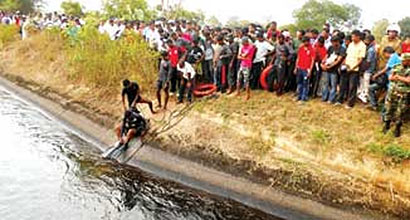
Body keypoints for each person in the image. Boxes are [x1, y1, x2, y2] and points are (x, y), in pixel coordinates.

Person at [383, 53, 410, 137]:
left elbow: (409, 81)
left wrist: (398, 77)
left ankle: (397, 128)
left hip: (403, 93)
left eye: (405, 60)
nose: (402, 62)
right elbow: (390, 77)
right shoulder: (396, 66)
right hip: (393, 91)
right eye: (402, 60)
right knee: (389, 108)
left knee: (400, 111)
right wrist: (401, 78)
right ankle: (387, 124)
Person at [343, 30, 367, 108]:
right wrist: (344, 63)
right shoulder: (350, 44)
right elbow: (347, 55)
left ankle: (350, 103)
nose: (352, 38)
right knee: (345, 84)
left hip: (354, 69)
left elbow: (361, 59)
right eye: (352, 36)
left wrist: (353, 67)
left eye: (353, 37)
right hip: (347, 67)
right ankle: (346, 99)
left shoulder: (362, 46)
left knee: (352, 86)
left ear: (358, 37)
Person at [321, 36, 346, 103]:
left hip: (334, 70)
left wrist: (330, 66)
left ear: (337, 42)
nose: (332, 44)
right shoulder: (330, 47)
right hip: (326, 68)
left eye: (334, 42)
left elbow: (338, 60)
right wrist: (323, 63)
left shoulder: (342, 49)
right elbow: (326, 56)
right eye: (332, 42)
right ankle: (324, 97)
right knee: (325, 84)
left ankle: (331, 99)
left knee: (333, 85)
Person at [294, 36, 315, 102]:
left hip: (306, 69)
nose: (304, 43)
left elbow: (312, 60)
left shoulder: (312, 49)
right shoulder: (301, 48)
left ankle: (304, 97)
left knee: (305, 84)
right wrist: (296, 67)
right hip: (300, 67)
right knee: (299, 83)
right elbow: (298, 58)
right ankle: (299, 96)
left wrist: (310, 70)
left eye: (305, 41)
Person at [358, 34, 377, 104]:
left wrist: (363, 70)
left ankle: (366, 98)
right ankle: (362, 96)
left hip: (368, 70)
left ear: (371, 41)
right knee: (363, 83)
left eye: (367, 40)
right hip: (367, 69)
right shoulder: (369, 48)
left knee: (366, 84)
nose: (366, 41)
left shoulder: (371, 50)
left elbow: (368, 62)